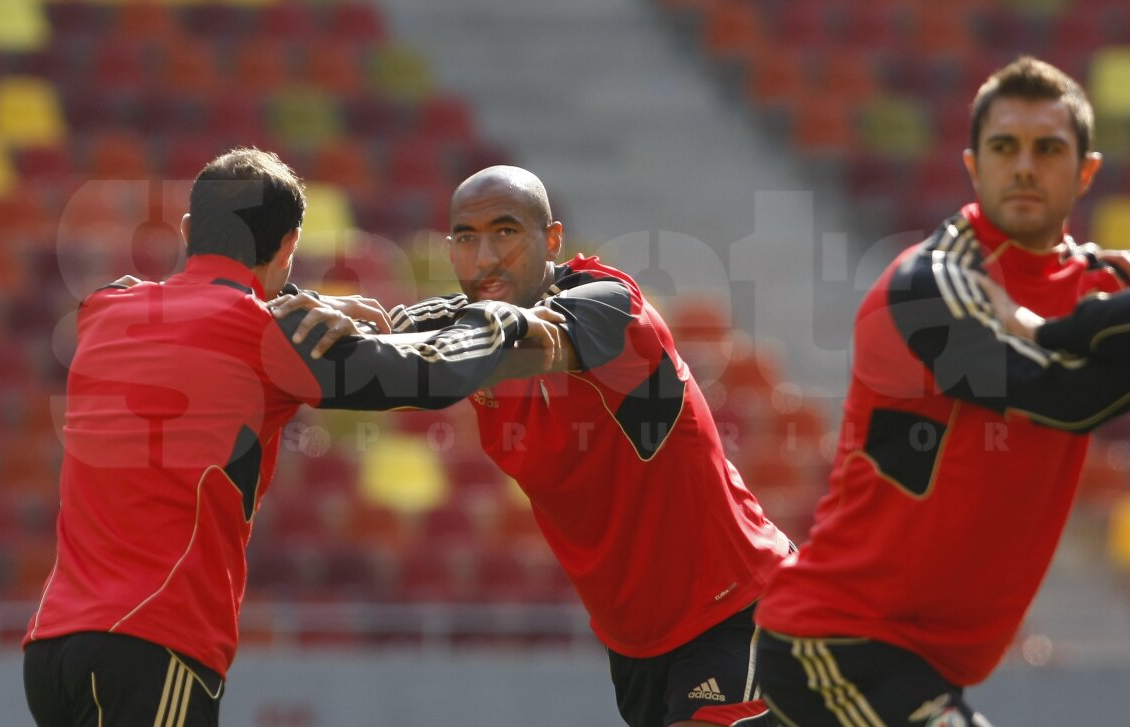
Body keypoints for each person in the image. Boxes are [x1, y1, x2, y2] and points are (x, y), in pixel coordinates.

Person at [22, 148, 563, 727]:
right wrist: (508, 319)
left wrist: (312, 308)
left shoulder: (106, 309)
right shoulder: (269, 336)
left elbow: (200, 323)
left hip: (52, 646)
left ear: (187, 230)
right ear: (289, 245)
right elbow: (428, 377)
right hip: (151, 643)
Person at [275, 165, 791, 727]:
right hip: (638, 647)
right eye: (466, 239)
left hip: (741, 611)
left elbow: (488, 353)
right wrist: (322, 316)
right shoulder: (465, 324)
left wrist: (371, 340)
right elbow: (394, 355)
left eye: (506, 232)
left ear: (551, 240)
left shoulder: (612, 309)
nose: (485, 257)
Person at [752, 56, 1130, 726]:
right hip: (838, 640)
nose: (1023, 166)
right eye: (1003, 147)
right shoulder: (928, 287)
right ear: (972, 164)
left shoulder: (1098, 285)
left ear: (1087, 172)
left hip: (922, 661)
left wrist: (1047, 323)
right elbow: (1063, 397)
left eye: (1048, 149)